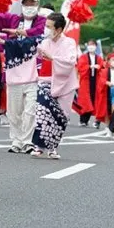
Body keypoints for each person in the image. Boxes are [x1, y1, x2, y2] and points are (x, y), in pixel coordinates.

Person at [0, 0, 46, 154]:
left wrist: (19, 33)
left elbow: (40, 34)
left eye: (32, 4)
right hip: (14, 73)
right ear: (22, 5)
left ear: (37, 5)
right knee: (14, 112)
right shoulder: (13, 20)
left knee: (30, 111)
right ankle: (16, 140)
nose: (29, 7)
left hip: (32, 75)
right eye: (26, 4)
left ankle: (28, 141)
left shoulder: (43, 22)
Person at [29, 13, 78, 159]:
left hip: (65, 83)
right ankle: (38, 146)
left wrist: (53, 58)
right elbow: (37, 57)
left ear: (59, 29)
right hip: (46, 80)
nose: (46, 29)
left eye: (49, 27)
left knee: (60, 116)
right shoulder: (44, 42)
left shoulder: (69, 42)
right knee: (42, 113)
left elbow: (70, 62)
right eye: (46, 26)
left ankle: (52, 148)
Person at [76, 40, 102, 128]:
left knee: (93, 99)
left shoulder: (98, 58)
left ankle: (86, 120)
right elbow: (80, 67)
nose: (91, 46)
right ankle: (82, 120)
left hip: (95, 81)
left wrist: (99, 67)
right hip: (85, 81)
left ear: (96, 46)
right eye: (90, 45)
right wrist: (90, 66)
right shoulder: (83, 57)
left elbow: (102, 67)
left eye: (93, 45)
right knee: (85, 101)